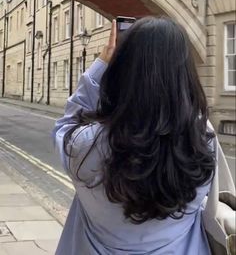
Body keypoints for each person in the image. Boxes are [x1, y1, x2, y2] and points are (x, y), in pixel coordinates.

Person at [53, 17, 216, 255]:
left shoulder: (87, 144)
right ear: (184, 75)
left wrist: (99, 65)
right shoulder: (201, 140)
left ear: (120, 71)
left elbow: (64, 127)